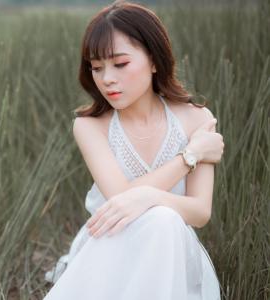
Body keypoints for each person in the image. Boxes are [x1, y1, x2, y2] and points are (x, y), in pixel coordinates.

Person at [43, 1, 224, 299]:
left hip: (171, 250)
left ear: (154, 60)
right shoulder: (91, 126)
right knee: (160, 216)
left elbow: (200, 212)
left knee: (164, 220)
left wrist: (152, 198)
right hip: (110, 245)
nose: (107, 79)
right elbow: (120, 200)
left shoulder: (196, 120)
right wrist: (190, 157)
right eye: (97, 68)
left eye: (120, 64)